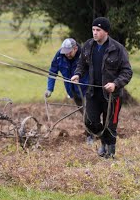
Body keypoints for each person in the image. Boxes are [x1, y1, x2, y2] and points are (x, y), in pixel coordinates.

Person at [71, 17, 133, 159]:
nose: (94, 33)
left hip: (112, 95)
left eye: (98, 30)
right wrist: (77, 74)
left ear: (106, 32)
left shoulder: (118, 49)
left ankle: (109, 150)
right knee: (90, 122)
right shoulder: (88, 45)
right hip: (93, 93)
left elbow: (127, 72)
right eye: (93, 30)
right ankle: (104, 141)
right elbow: (82, 64)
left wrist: (115, 84)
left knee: (110, 125)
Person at [45, 38, 89, 108]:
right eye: (65, 52)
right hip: (72, 90)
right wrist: (49, 88)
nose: (67, 54)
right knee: (83, 112)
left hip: (87, 90)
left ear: (76, 49)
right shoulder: (59, 56)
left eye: (69, 52)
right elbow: (53, 71)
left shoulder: (84, 55)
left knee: (89, 113)